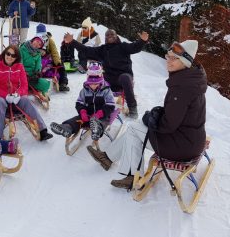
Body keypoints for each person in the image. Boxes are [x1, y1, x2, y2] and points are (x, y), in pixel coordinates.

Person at [87, 40, 207, 189]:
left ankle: (130, 174)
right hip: (190, 140)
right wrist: (159, 113)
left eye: (173, 58)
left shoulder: (182, 87)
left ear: (186, 62)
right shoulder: (190, 80)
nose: (168, 61)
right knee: (137, 127)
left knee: (133, 129)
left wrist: (151, 119)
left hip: (181, 147)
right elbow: (181, 114)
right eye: (168, 56)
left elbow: (168, 125)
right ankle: (108, 158)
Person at [64, 29, 149, 119]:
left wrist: (143, 41)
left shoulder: (123, 46)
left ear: (116, 36)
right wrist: (72, 42)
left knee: (125, 78)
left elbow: (135, 47)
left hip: (122, 78)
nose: (110, 36)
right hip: (108, 79)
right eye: (107, 35)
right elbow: (86, 50)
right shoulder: (102, 49)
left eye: (112, 34)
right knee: (94, 80)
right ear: (105, 38)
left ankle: (133, 107)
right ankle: (92, 106)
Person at [0, 45, 53, 141]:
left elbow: (24, 85)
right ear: (4, 54)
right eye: (8, 54)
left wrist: (18, 94)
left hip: (15, 98)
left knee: (26, 100)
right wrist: (5, 95)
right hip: (0, 98)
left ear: (16, 57)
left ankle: (42, 130)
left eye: (13, 55)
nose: (10, 57)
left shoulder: (19, 67)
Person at [50, 62, 116, 142]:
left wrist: (99, 114)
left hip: (102, 116)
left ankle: (97, 130)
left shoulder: (106, 90)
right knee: (76, 120)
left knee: (102, 122)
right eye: (91, 84)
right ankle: (66, 128)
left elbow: (111, 105)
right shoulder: (85, 90)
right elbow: (79, 103)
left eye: (96, 84)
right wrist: (83, 112)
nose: (93, 86)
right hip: (88, 115)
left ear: (101, 80)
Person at [35, 23, 70, 92]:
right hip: (39, 60)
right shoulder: (35, 40)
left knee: (61, 67)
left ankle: (63, 83)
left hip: (50, 59)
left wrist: (57, 62)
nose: (41, 36)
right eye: (39, 34)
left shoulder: (50, 41)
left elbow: (54, 52)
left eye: (43, 34)